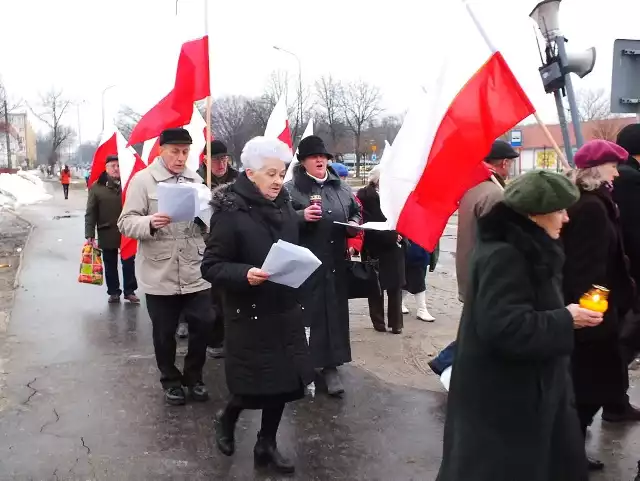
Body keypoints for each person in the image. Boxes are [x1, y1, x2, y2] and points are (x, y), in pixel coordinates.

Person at [437, 170, 598, 481]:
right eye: (560, 211)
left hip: (527, 390)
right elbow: (504, 326)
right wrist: (567, 318)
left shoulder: (528, 246)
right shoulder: (507, 255)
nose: (566, 219)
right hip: (505, 399)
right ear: (535, 214)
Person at [201, 137, 314, 474]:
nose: (278, 181)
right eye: (270, 174)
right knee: (254, 382)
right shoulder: (229, 212)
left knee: (284, 382)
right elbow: (211, 266)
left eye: (281, 173)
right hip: (248, 311)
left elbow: (291, 245)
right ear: (250, 173)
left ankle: (266, 443)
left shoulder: (283, 204)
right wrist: (244, 273)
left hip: (283, 306)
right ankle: (228, 417)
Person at [118, 127, 214, 406]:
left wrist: (205, 220)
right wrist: (149, 222)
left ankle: (194, 377)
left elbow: (210, 226)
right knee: (164, 332)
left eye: (185, 151)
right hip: (160, 271)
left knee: (204, 324)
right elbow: (125, 222)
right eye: (175, 151)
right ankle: (170, 380)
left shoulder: (196, 181)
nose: (180, 157)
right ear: (162, 150)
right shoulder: (143, 181)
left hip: (195, 269)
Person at [561, 140, 638, 471]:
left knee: (588, 388)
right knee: (587, 390)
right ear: (596, 170)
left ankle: (570, 452)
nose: (616, 172)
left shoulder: (595, 201)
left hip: (598, 308)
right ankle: (568, 456)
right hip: (593, 312)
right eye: (611, 166)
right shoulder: (591, 207)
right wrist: (594, 308)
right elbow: (587, 267)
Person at [429, 139, 518, 375]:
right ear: (504, 163)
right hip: (486, 275)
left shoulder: (475, 189)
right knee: (484, 329)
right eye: (510, 164)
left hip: (472, 270)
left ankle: (447, 362)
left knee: (478, 326)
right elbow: (500, 238)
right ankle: (449, 363)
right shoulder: (494, 195)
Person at [285, 136, 361, 397]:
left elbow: (356, 211)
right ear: (303, 161)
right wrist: (299, 217)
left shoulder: (342, 188)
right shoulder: (290, 189)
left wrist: (354, 223)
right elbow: (275, 221)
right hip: (305, 266)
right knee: (307, 316)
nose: (320, 160)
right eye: (314, 156)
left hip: (336, 264)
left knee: (335, 315)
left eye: (323, 156)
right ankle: (302, 366)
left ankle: (331, 366)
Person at [178, 140, 239, 353]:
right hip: (202, 241)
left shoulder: (238, 180)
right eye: (216, 159)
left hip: (231, 241)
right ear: (205, 160)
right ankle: (205, 333)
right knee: (205, 293)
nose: (221, 163)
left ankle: (225, 336)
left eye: (224, 158)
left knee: (225, 292)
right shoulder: (195, 180)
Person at [357, 166, 406, 334]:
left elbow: (403, 217)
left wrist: (401, 235)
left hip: (394, 248)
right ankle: (378, 322)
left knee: (395, 287)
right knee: (375, 286)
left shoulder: (395, 194)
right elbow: (368, 222)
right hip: (374, 247)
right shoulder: (365, 196)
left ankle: (396, 323)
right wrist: (392, 236)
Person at [85, 155, 139, 304]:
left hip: (127, 231)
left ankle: (130, 291)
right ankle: (114, 292)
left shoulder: (129, 184)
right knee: (110, 263)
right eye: (112, 166)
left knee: (128, 261)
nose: (116, 169)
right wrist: (89, 234)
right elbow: (91, 212)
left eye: (118, 165)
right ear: (106, 168)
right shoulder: (97, 187)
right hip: (106, 230)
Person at [613, 124, 640, 366]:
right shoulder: (630, 178)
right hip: (632, 265)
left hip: (626, 262)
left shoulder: (623, 174)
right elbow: (634, 229)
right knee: (630, 330)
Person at [332, 162, 364, 255]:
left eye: (344, 178)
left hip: (344, 249)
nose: (343, 181)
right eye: (340, 177)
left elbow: (356, 224)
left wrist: (353, 246)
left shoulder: (351, 197)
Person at [402, 239, 438, 322]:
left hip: (422, 248)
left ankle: (399, 303)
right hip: (414, 251)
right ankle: (422, 309)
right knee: (418, 281)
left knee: (407, 279)